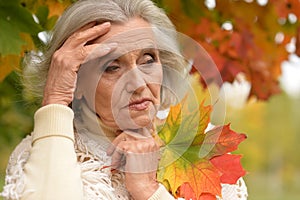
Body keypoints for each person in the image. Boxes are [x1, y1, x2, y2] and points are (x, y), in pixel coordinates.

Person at [0, 0, 248, 199]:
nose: (139, 83)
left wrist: (148, 191)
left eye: (148, 59)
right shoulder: (42, 151)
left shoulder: (203, 146)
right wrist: (55, 99)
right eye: (111, 67)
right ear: (77, 83)